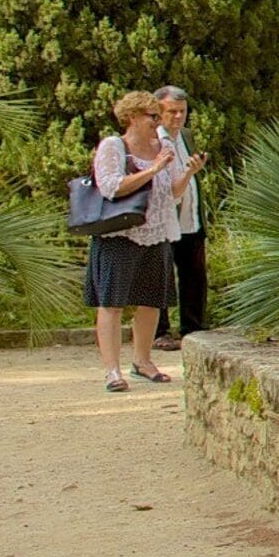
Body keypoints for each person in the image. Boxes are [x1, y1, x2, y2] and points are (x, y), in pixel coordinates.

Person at [87, 92, 186, 392]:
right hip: (121, 234)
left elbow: (172, 192)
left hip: (156, 233)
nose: (158, 122)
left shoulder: (163, 145)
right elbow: (111, 187)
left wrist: (189, 172)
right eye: (152, 116)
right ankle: (112, 371)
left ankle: (143, 361)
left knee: (151, 301)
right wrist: (152, 168)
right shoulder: (114, 146)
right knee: (111, 303)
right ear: (131, 117)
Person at [156, 86, 208, 344]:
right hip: (164, 218)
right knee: (162, 275)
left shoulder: (185, 136)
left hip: (190, 216)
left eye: (182, 111)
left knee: (194, 273)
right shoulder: (154, 139)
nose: (178, 117)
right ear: (159, 112)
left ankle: (193, 327)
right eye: (172, 112)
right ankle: (160, 331)